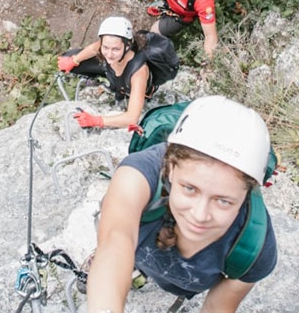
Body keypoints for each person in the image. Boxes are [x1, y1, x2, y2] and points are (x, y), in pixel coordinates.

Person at [86, 96, 277, 312]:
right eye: (190, 189)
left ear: (247, 194)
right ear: (170, 168)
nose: (200, 214)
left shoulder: (253, 249)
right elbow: (115, 239)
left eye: (223, 201)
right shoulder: (139, 175)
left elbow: (217, 307)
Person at [58, 17, 160, 130]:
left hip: (129, 85)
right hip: (112, 71)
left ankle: (119, 91)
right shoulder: (110, 44)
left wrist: (96, 120)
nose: (109, 54)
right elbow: (93, 49)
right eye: (105, 47)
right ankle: (106, 82)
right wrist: (74, 60)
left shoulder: (139, 72)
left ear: (128, 46)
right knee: (68, 56)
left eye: (116, 49)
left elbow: (132, 118)